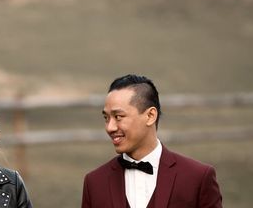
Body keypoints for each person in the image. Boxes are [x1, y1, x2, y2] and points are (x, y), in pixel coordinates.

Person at [81, 74, 222, 208]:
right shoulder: (94, 183)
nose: (110, 127)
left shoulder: (198, 177)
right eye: (106, 118)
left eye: (118, 117)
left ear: (150, 115)